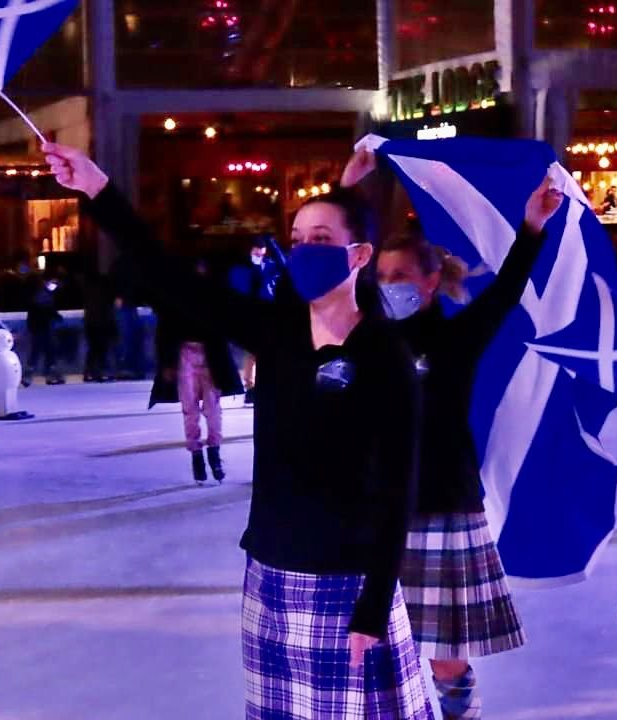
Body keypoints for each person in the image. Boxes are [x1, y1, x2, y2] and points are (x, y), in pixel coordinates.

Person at [44, 142, 433, 720]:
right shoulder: (274, 329)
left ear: (359, 255)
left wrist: (374, 606)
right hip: (271, 570)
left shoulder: (384, 354)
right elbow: (167, 272)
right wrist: (100, 190)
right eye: (297, 240)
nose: (305, 252)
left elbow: (400, 486)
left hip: (344, 581)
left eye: (321, 241)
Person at [344, 150, 563, 720]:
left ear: (432, 281)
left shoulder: (455, 340)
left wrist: (532, 228)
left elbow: (508, 290)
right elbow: (330, 274)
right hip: (375, 510)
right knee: (375, 649)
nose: (388, 286)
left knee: (443, 658)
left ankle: (462, 714)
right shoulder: (365, 339)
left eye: (401, 277)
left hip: (442, 505)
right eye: (381, 276)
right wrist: (350, 193)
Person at [151, 259, 243, 484]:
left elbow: (226, 325)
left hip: (210, 356)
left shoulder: (214, 298)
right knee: (189, 408)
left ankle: (214, 453)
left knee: (213, 409)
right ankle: (196, 455)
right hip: (184, 355)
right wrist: (167, 364)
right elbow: (164, 331)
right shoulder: (175, 298)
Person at [228, 235, 284, 405]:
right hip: (251, 315)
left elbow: (284, 266)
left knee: (266, 353)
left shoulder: (270, 267)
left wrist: (273, 246)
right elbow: (237, 292)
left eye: (261, 250)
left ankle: (263, 386)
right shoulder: (241, 270)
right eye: (255, 250)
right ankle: (251, 388)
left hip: (269, 314)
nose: (258, 253)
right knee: (252, 353)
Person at [23, 275, 65, 386]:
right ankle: (48, 375)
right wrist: (56, 316)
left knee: (37, 352)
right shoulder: (44, 295)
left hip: (38, 327)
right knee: (48, 351)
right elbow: (48, 310)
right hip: (43, 327)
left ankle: (31, 376)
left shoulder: (39, 294)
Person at [82, 271, 118, 383]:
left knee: (94, 350)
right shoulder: (104, 295)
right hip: (100, 324)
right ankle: (100, 372)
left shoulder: (90, 294)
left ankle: (91, 372)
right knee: (101, 349)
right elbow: (107, 312)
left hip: (91, 324)